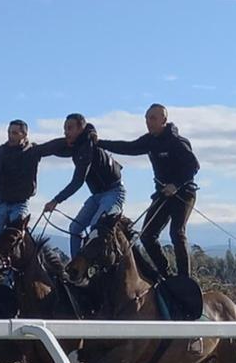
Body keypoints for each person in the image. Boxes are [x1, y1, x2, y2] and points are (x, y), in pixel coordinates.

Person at [95, 103, 199, 280]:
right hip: (163, 195)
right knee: (147, 236)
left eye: (152, 118)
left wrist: (176, 185)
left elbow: (193, 166)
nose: (148, 122)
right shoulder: (150, 141)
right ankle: (165, 274)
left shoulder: (177, 142)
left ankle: (184, 279)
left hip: (183, 194)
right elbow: (128, 147)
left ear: (163, 120)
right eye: (146, 119)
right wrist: (99, 143)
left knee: (177, 233)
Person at [42, 113, 125, 258]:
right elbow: (55, 147)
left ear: (81, 128)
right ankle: (77, 268)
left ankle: (98, 266)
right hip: (97, 195)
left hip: (114, 192)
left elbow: (78, 181)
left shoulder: (87, 147)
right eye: (64, 129)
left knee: (96, 227)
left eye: (69, 128)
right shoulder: (77, 145)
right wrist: (37, 150)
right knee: (75, 228)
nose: (66, 132)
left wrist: (56, 200)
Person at [0, 120, 54, 246]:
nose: (10, 136)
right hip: (1, 202)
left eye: (15, 133)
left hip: (20, 204)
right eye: (9, 132)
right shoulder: (1, 152)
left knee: (17, 240)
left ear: (24, 135)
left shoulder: (32, 151)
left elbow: (54, 147)